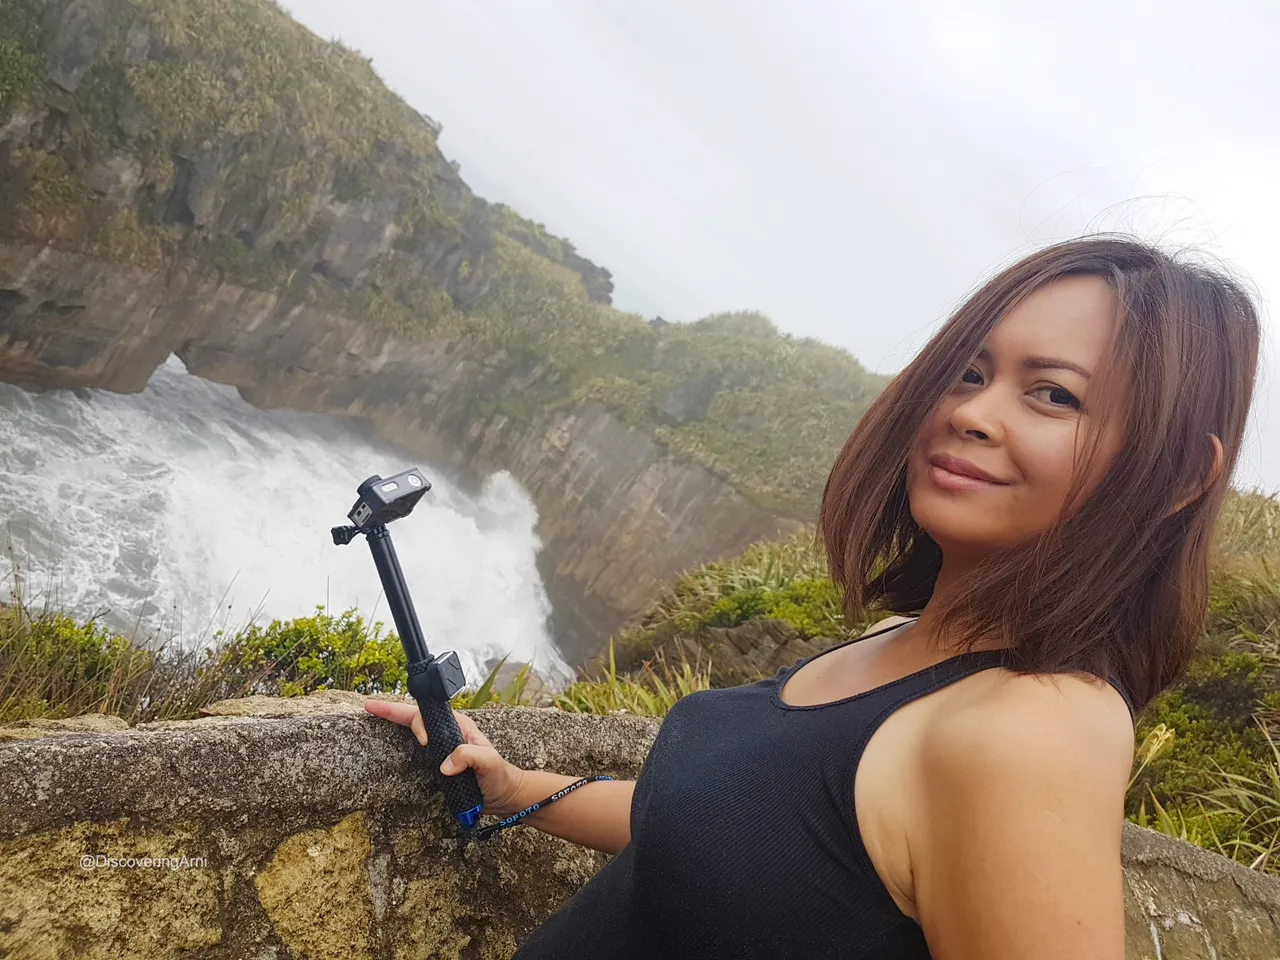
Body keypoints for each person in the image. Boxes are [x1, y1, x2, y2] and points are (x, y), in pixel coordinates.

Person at [365, 235, 1261, 958]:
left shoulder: (1032, 729)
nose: (974, 413)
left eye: (1054, 395)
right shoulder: (905, 642)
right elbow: (739, 828)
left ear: (1181, 472)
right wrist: (519, 785)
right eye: (970, 371)